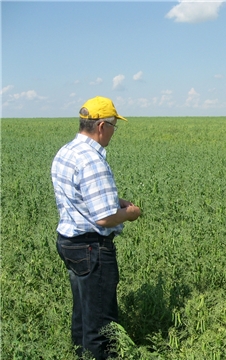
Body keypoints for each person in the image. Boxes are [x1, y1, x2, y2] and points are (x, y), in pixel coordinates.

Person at [51, 96, 141, 359]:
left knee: (83, 312)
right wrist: (129, 213)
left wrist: (115, 201)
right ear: (101, 126)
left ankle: (81, 355)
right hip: (92, 248)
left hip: (69, 242)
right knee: (101, 325)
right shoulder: (92, 159)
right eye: (114, 126)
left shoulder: (67, 151)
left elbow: (81, 197)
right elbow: (103, 218)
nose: (114, 132)